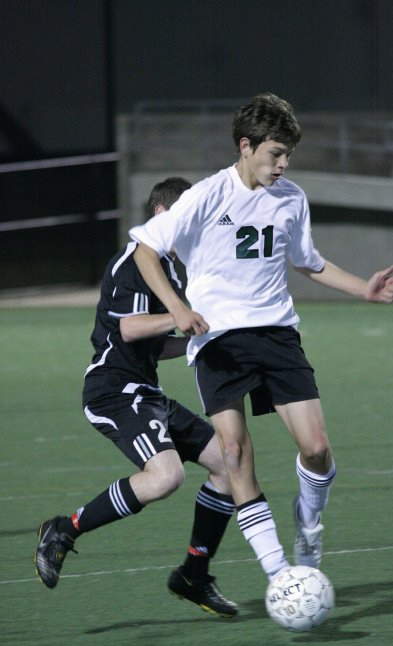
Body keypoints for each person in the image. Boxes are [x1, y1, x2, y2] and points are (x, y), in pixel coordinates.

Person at [129, 93, 393, 580]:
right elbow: (146, 249)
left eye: (288, 155)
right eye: (276, 153)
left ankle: (308, 522)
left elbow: (307, 262)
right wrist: (177, 308)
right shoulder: (207, 195)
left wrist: (363, 287)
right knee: (233, 452)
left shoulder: (291, 198)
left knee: (316, 448)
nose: (283, 164)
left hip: (276, 334)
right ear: (246, 145)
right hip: (219, 341)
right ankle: (280, 575)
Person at [34, 177, 238, 618]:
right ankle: (63, 530)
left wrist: (198, 339)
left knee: (229, 461)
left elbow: (156, 342)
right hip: (113, 391)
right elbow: (129, 329)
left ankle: (193, 574)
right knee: (165, 477)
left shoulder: (168, 269)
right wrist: (180, 316)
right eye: (188, 218)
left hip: (145, 391)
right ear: (164, 215)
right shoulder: (133, 260)